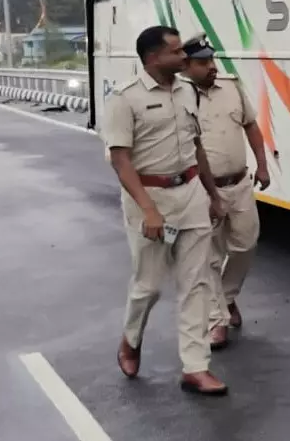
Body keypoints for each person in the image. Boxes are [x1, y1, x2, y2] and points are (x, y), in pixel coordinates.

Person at [102, 25, 228, 395]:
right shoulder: (124, 100)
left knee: (197, 283)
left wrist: (212, 195)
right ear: (153, 57)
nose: (185, 58)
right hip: (150, 200)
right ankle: (131, 338)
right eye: (177, 52)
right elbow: (121, 161)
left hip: (190, 193)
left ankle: (195, 366)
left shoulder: (188, 91)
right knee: (150, 286)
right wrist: (149, 211)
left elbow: (197, 147)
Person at [181, 37, 269, 349]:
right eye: (203, 63)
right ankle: (217, 320)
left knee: (246, 244)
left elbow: (252, 127)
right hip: (202, 188)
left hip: (240, 183)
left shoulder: (231, 87)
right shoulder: (178, 97)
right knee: (210, 257)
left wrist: (262, 166)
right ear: (186, 65)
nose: (212, 67)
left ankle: (227, 297)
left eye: (212, 60)